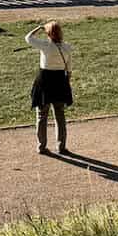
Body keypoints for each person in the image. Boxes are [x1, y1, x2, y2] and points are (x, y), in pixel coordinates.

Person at [26, 20, 73, 155]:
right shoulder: (67, 48)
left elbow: (28, 38)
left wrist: (39, 28)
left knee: (42, 116)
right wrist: (66, 84)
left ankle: (41, 146)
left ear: (48, 33)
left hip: (44, 82)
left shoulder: (45, 46)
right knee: (60, 115)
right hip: (60, 82)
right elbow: (69, 70)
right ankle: (61, 146)